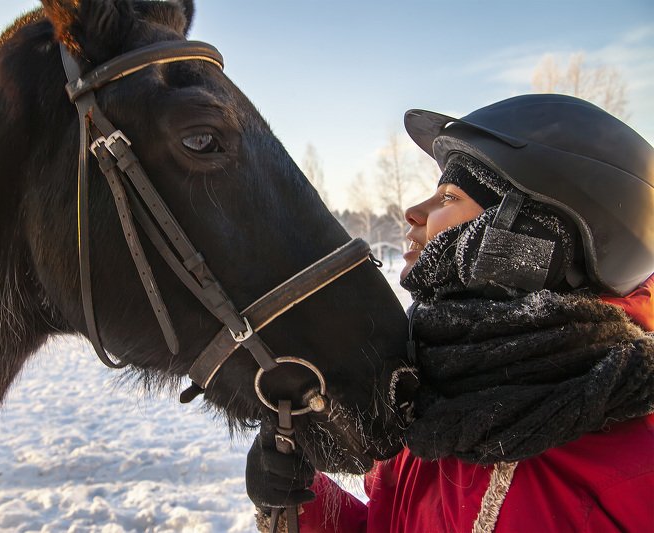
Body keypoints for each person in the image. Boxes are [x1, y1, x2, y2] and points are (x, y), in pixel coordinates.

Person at [246, 94, 654, 532]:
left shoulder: (633, 465)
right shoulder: (432, 395)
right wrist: (301, 503)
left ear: (532, 236)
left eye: (449, 195)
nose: (414, 213)